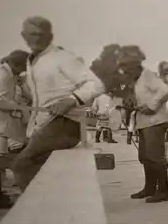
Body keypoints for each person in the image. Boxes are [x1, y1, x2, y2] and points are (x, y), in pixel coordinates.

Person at [11, 17, 104, 191]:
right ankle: (50, 202)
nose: (37, 39)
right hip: (48, 124)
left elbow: (96, 84)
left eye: (41, 35)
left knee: (22, 164)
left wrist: (72, 99)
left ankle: (37, 208)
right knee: (39, 167)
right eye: (32, 34)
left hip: (65, 123)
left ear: (50, 36)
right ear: (24, 36)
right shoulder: (34, 62)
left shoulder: (62, 58)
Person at [117, 46, 168, 203]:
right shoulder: (136, 81)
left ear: (135, 66)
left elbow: (165, 91)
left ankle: (163, 191)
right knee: (145, 157)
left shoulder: (147, 75)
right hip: (143, 122)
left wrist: (152, 106)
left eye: (127, 69)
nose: (125, 73)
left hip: (154, 122)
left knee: (155, 158)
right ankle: (149, 188)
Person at [0, 50, 30, 208]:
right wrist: (19, 108)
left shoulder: (4, 74)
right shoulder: (3, 75)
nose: (24, 70)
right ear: (16, 64)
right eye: (23, 67)